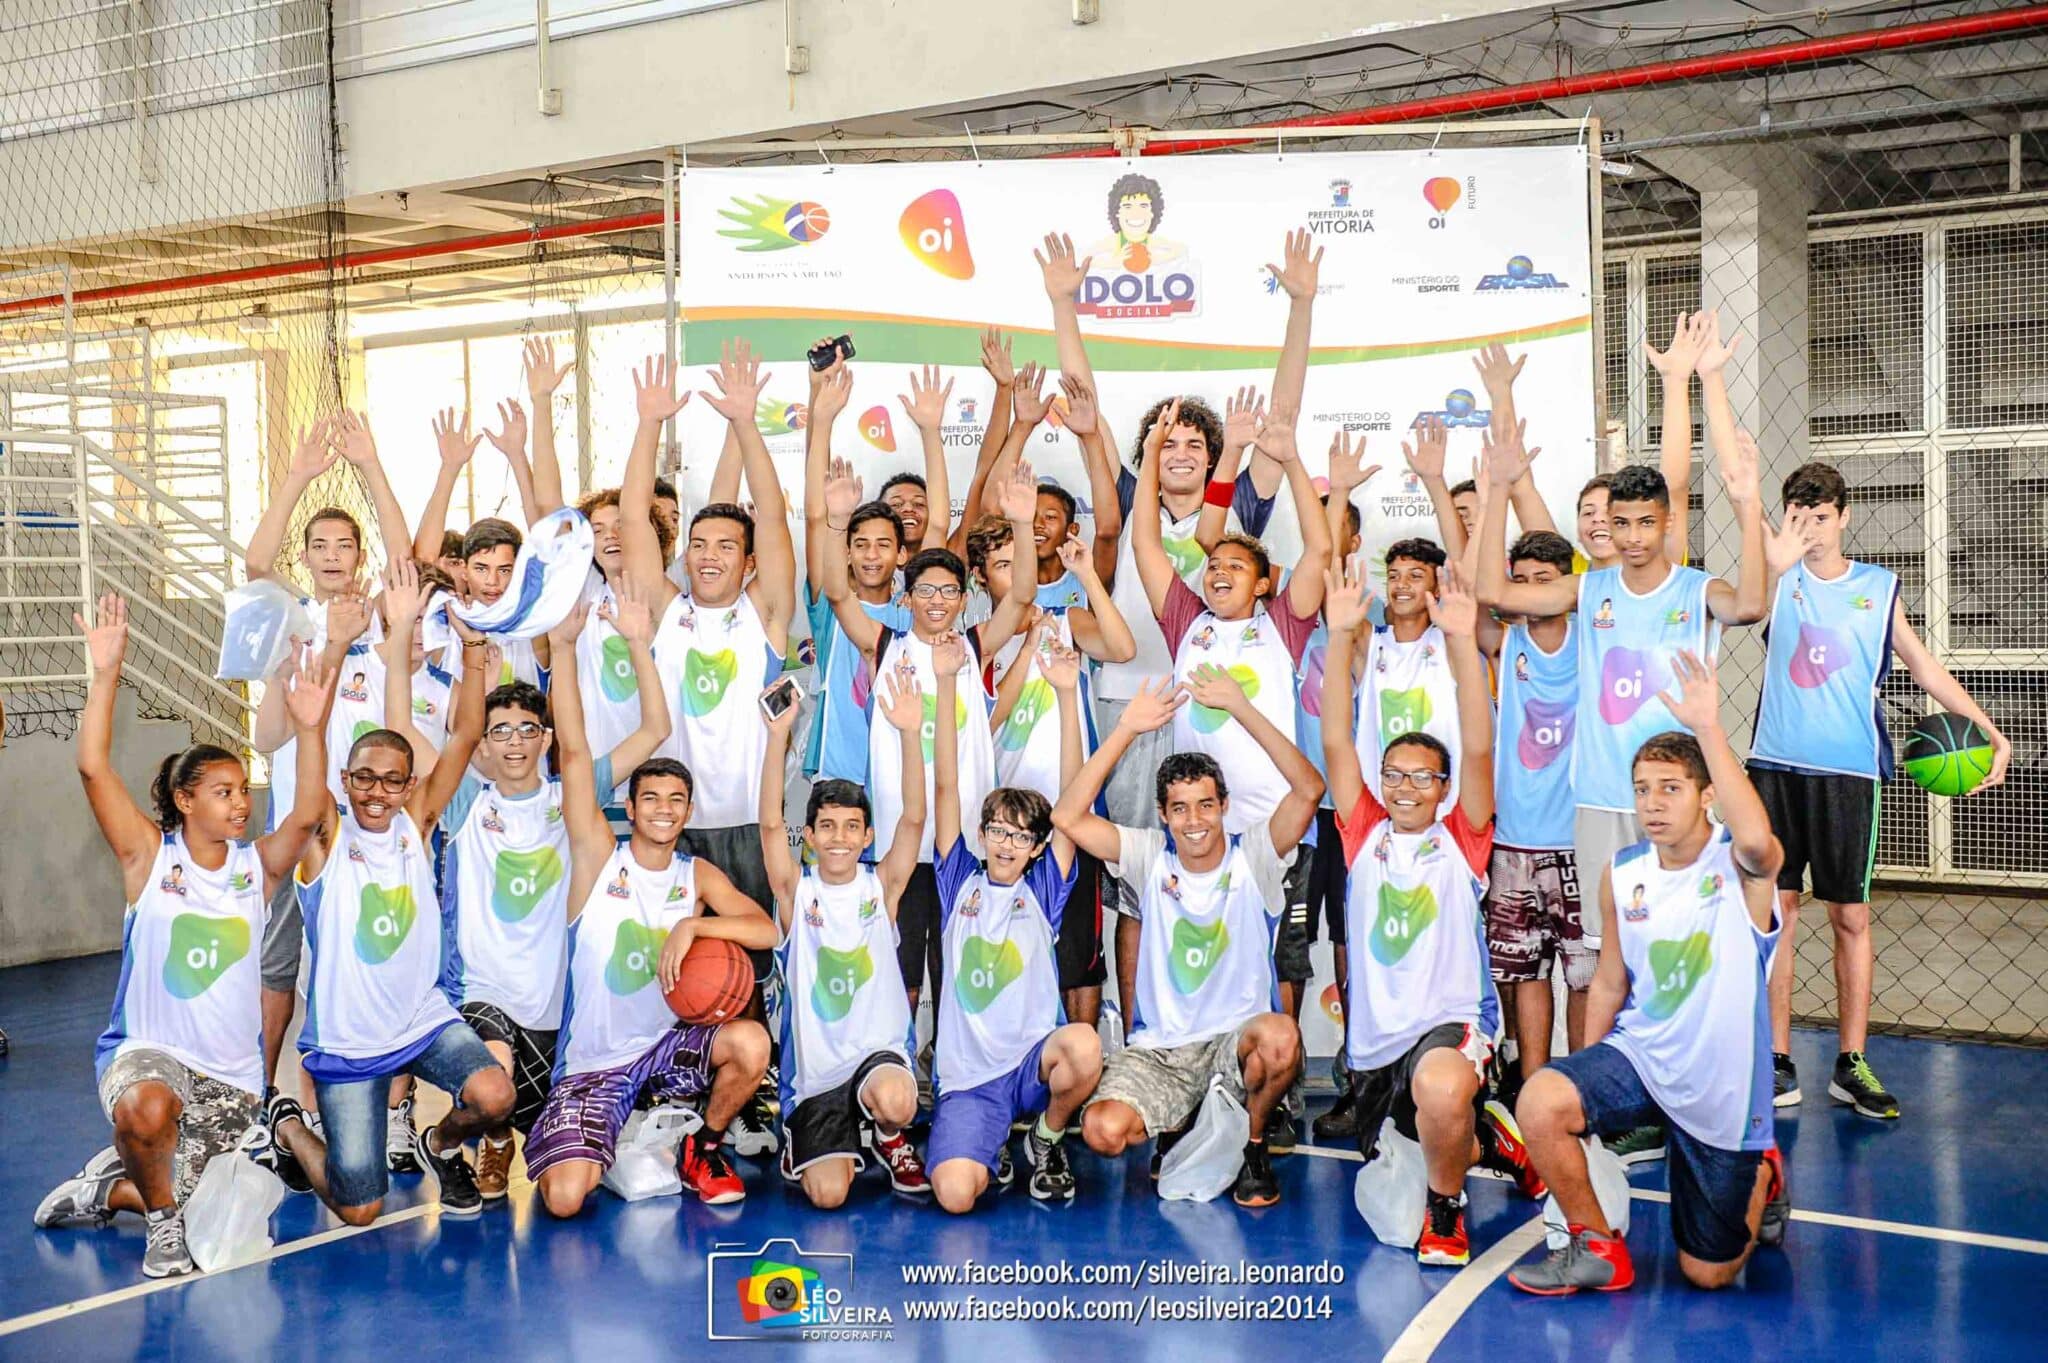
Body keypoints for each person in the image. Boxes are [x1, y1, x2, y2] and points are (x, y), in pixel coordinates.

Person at [1473, 396, 1769, 1164]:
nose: (1634, 536)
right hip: (1602, 802)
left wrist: (1745, 504)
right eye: (1623, 523)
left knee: (1685, 949)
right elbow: (1497, 596)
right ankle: (1615, 1104)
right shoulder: (1593, 589)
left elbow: (1756, 602)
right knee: (1609, 959)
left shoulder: (1696, 589)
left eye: (1647, 522)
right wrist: (1499, 488)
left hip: (1678, 800)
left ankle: (1693, 1091)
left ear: (1668, 523)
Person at [35, 595, 334, 1278]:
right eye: (223, 791)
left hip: (230, 1081)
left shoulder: (255, 869)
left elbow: (309, 810)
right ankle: (160, 1225)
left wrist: (311, 729)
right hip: (148, 1053)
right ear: (184, 800)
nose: (241, 801)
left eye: (242, 790)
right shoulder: (149, 857)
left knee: (204, 1207)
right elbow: (91, 767)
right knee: (146, 1110)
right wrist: (104, 672)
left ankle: (107, 1188)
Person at [380, 559, 672, 1202]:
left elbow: (654, 731)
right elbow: (403, 732)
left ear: (543, 740)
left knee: (527, 1127)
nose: (513, 741)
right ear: (481, 743)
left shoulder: (574, 795)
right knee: (497, 1082)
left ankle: (498, 1136)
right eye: (499, 730)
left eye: (527, 730)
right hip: (483, 988)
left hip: (554, 999)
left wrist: (596, 647)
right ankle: (446, 1140)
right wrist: (403, 633)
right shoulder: (463, 800)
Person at [1508, 652, 1790, 1295]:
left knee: (1708, 1275)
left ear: (1706, 795)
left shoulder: (1740, 867)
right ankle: (1598, 1248)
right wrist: (1583, 1077)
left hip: (1721, 1085)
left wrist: (1710, 729)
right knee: (1542, 1100)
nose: (1653, 804)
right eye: (1642, 789)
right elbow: (1609, 980)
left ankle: (1764, 1171)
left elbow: (1757, 838)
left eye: (1671, 788)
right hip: (1642, 1056)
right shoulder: (1624, 871)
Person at [1748, 461, 2011, 1118]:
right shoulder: (1775, 576)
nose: (1808, 528)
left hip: (1850, 774)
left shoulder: (1877, 586)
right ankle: (1777, 1061)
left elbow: (1922, 665)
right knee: (1777, 918)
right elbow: (1733, 480)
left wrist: (1989, 729)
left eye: (1820, 516)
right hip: (1774, 769)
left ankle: (1850, 1060)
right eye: (1797, 515)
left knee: (1851, 917)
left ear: (1843, 517)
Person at [1319, 558, 1545, 1265]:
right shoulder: (1363, 834)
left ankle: (1446, 1212)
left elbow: (1479, 743)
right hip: (1379, 1046)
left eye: (1423, 776)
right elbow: (1334, 739)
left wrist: (1459, 644)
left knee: (1441, 1086)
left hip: (1450, 1021)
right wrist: (1337, 636)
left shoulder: (1460, 837)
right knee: (1417, 1132)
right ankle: (1495, 1143)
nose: (1407, 786)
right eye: (1395, 773)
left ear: (1444, 787)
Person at [523, 603, 777, 1216]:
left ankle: (702, 1145)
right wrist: (563, 648)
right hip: (597, 1065)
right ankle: (620, 1136)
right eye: (651, 798)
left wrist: (693, 923)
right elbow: (578, 758)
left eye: (676, 800)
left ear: (687, 811)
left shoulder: (696, 876)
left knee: (749, 1044)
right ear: (630, 809)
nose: (664, 808)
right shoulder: (597, 860)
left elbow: (766, 929)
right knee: (562, 1200)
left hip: (666, 1051)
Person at [260, 630, 520, 1225]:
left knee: (494, 1095)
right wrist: (308, 728)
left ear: (409, 786)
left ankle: (441, 1143)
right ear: (346, 781)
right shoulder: (325, 840)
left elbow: (463, 738)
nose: (377, 792)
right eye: (364, 778)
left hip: (420, 1023)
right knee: (360, 1208)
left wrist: (476, 663)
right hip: (349, 1044)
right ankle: (289, 1126)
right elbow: (306, 800)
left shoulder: (416, 825)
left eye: (392, 780)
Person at [1054, 674, 1321, 1209]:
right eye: (1180, 807)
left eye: (1204, 805)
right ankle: (1182, 1122)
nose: (1194, 820)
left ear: (1224, 805)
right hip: (1166, 1053)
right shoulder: (1150, 855)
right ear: (1163, 814)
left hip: (1232, 1043)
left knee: (1280, 1038)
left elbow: (1310, 789)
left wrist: (1242, 707)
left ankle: (1252, 1147)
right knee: (1103, 1131)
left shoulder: (1257, 856)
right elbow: (1067, 817)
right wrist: (1126, 729)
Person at [823, 455, 1038, 1018]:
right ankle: (896, 1057)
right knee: (899, 965)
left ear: (964, 598)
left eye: (948, 591)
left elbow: (1019, 597)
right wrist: (838, 521)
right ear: (905, 597)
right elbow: (839, 595)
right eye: (925, 591)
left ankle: (949, 1069)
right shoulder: (884, 646)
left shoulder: (974, 646)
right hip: (899, 840)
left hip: (965, 839)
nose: (937, 601)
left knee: (954, 964)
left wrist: (1020, 522)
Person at [928, 632, 1101, 1210]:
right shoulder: (958, 884)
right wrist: (948, 681)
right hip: (970, 1082)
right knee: (955, 1196)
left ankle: (1047, 1138)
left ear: (1035, 846)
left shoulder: (1044, 888)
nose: (1006, 843)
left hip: (1031, 1065)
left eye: (1020, 835)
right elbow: (947, 787)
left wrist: (1069, 696)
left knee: (1082, 1045)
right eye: (997, 831)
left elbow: (1075, 796)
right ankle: (991, 1143)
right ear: (982, 836)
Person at [759, 672, 932, 1204]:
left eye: (851, 827)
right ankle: (807, 1139)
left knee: (899, 1101)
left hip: (876, 1057)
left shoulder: (880, 887)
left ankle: (887, 1133)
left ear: (866, 835)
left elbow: (915, 818)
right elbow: (769, 825)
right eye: (827, 827)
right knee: (828, 1196)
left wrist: (908, 732)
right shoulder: (796, 891)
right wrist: (777, 737)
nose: (839, 838)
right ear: (808, 836)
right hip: (816, 1077)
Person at [978, 513, 1136, 1031]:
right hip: (1006, 827)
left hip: (1072, 813)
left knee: (1079, 954)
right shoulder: (975, 638)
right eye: (1003, 564)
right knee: (1006, 948)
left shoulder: (1066, 620)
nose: (1018, 570)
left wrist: (1088, 577)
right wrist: (1026, 648)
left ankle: (1082, 1060)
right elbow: (988, 719)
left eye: (1021, 559)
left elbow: (1123, 649)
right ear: (982, 578)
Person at [1486, 529, 1591, 1091]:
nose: (1528, 594)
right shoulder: (1505, 642)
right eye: (1518, 582)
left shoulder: (1591, 639)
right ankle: (1533, 1086)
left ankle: (1579, 1087)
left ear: (1568, 586)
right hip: (1514, 842)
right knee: (1526, 973)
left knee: (1584, 975)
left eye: (1542, 582)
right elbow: (1478, 592)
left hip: (1576, 840)